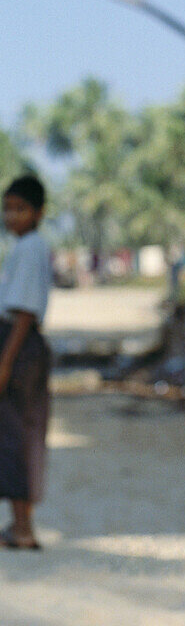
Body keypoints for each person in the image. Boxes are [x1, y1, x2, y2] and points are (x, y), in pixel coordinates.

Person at [0, 175, 52, 550]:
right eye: (7, 208)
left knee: (18, 435)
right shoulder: (23, 246)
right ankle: (19, 526)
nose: (11, 216)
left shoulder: (31, 247)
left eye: (20, 209)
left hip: (19, 346)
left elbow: (22, 313)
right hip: (20, 346)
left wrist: (5, 363)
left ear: (38, 213)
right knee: (21, 433)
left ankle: (22, 528)